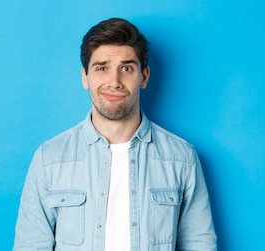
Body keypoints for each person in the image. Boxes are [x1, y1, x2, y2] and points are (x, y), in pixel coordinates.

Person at [13, 18, 217, 251]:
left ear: (144, 76)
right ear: (84, 77)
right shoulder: (49, 159)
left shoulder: (181, 158)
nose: (114, 82)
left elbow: (199, 244)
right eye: (102, 68)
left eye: (127, 68)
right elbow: (30, 246)